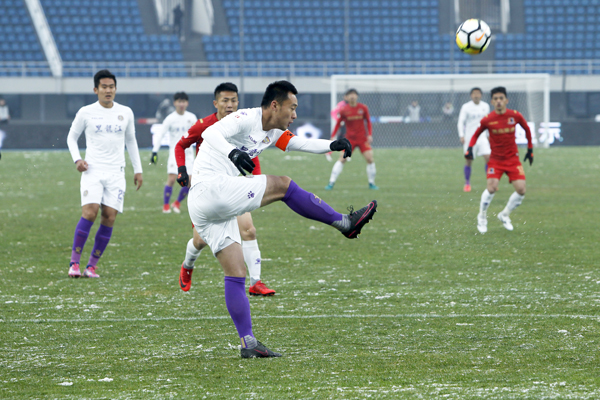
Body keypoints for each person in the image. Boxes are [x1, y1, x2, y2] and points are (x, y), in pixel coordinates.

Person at [184, 80, 377, 357]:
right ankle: (344, 223)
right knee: (284, 185)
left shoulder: (273, 132)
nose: (295, 115)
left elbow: (298, 142)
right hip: (211, 189)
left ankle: (248, 344)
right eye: (292, 108)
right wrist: (233, 152)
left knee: (236, 273)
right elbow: (210, 133)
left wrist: (331, 144)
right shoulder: (246, 117)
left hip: (206, 206)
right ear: (275, 105)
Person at [174, 82, 276, 297]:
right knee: (200, 241)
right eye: (225, 100)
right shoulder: (204, 125)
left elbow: (252, 153)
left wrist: (257, 181)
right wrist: (182, 169)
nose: (230, 105)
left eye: (233, 100)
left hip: (233, 187)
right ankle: (187, 265)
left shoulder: (243, 123)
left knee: (249, 230)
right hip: (207, 191)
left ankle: (256, 282)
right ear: (216, 103)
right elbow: (180, 145)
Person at [66, 70, 143, 278]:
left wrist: (138, 169)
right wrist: (77, 160)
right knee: (90, 212)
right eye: (104, 87)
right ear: (96, 90)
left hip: (116, 173)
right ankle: (74, 263)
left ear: (115, 89)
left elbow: (131, 141)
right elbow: (71, 138)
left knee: (109, 217)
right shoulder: (86, 112)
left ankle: (91, 267)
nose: (108, 90)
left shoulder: (126, 112)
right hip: (92, 170)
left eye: (111, 87)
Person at [465, 86, 533, 234]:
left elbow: (527, 129)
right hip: (496, 160)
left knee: (521, 190)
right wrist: (470, 148)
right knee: (491, 188)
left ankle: (504, 214)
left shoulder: (515, 115)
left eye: (501, 98)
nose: (499, 101)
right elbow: (476, 134)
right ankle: (482, 216)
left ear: (506, 100)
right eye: (495, 99)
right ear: (492, 102)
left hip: (513, 159)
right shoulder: (488, 119)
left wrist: (530, 150)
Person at [150, 92, 197, 214]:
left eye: (183, 101)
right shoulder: (170, 119)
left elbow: (199, 135)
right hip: (175, 154)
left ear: (187, 103)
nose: (181, 104)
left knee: (190, 182)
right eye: (179, 101)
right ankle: (166, 205)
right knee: (171, 179)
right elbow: (160, 134)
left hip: (189, 155)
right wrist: (154, 152)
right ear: (175, 103)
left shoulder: (192, 118)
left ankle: (177, 203)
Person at [325, 89, 378, 190]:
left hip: (362, 139)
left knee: (370, 159)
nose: (352, 96)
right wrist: (333, 136)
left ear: (357, 96)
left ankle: (372, 183)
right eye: (350, 95)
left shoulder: (363, 108)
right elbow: (338, 124)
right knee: (342, 159)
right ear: (346, 97)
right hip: (350, 140)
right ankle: (331, 183)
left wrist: (370, 135)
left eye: (354, 94)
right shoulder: (344, 110)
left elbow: (368, 121)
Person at [458, 87, 491, 192]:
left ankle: (490, 182)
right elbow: (461, 122)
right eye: (474, 93)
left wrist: (489, 135)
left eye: (478, 93)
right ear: (471, 95)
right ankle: (467, 183)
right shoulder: (466, 107)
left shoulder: (485, 106)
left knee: (488, 158)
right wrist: (461, 135)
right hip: (470, 138)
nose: (476, 95)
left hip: (482, 137)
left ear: (481, 95)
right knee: (469, 160)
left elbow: (488, 122)